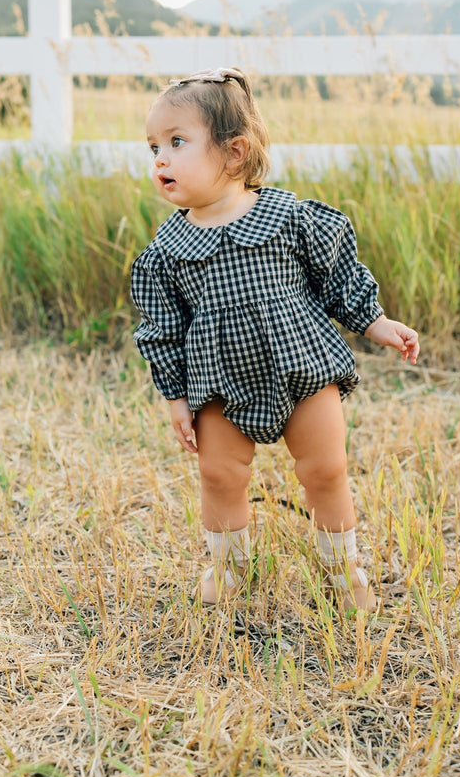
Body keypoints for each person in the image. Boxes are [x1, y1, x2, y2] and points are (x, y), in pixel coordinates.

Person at [130, 67, 419, 614]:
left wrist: (375, 322)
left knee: (325, 469)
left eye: (176, 142)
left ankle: (343, 569)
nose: (160, 159)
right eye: (153, 148)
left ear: (234, 152)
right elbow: (162, 330)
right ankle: (229, 568)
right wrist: (174, 396)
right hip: (221, 382)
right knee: (218, 474)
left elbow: (338, 275)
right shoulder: (166, 253)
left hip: (303, 369)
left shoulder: (289, 218)